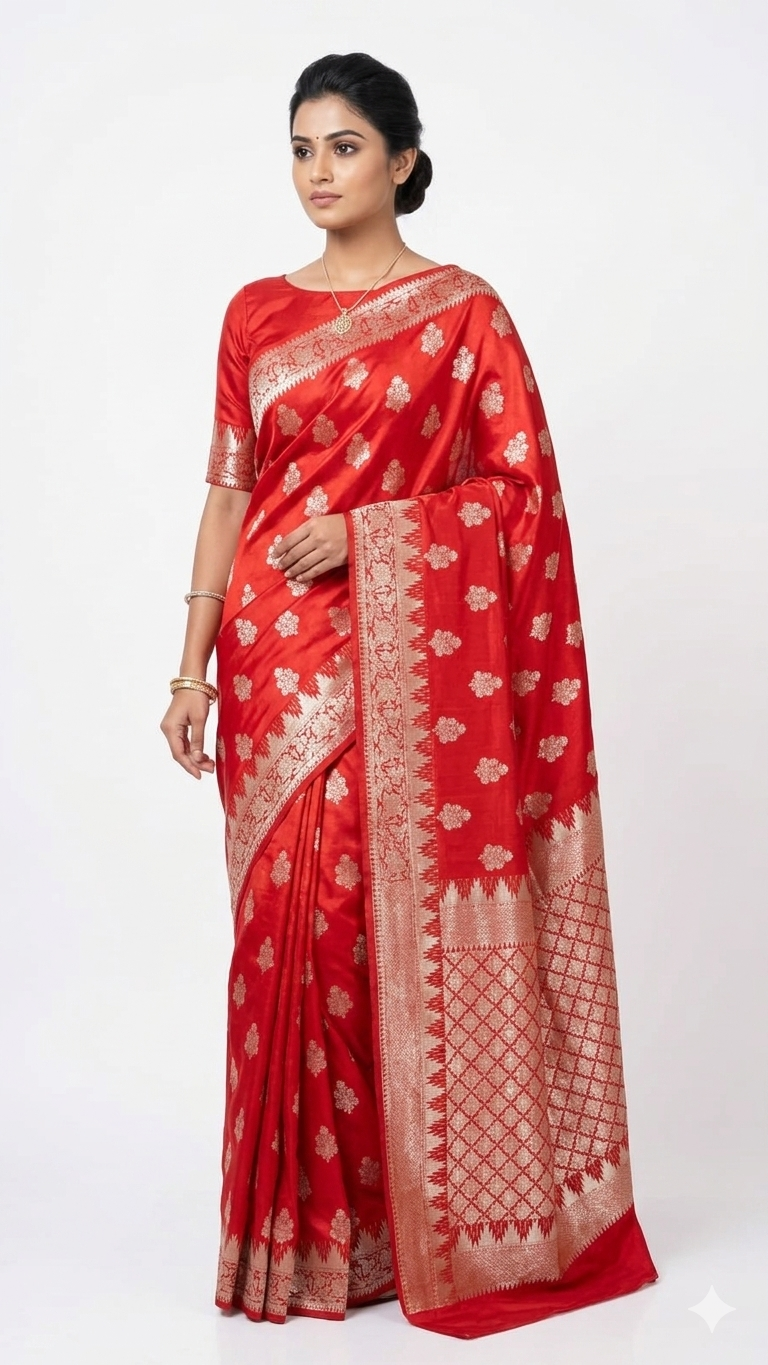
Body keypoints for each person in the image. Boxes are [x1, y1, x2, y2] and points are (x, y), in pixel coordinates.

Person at [159, 50, 659, 1339]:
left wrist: (380, 532)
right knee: (285, 931)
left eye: (342, 148)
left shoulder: (463, 313)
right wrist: (190, 662)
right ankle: (296, 1236)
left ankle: (397, 1225)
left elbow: (521, 493)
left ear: (402, 160)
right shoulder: (253, 315)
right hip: (274, 654)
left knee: (364, 915)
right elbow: (226, 493)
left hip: (394, 651)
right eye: (301, 150)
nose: (317, 174)